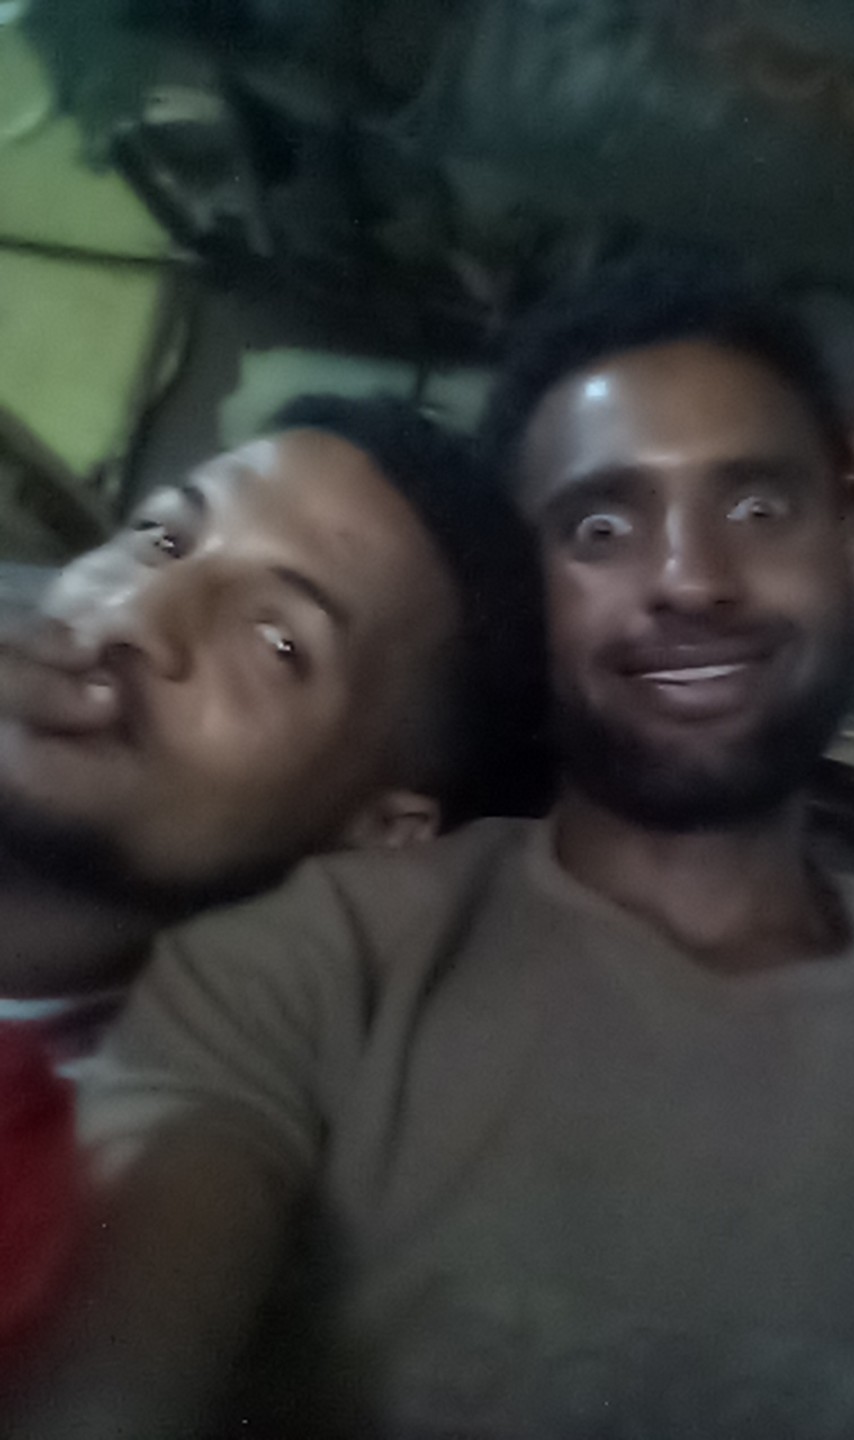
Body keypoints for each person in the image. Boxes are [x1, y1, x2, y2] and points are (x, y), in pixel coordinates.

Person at [13, 258, 854, 1440]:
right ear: (538, 613)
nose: (690, 578)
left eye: (759, 508)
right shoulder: (312, 962)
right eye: (601, 526)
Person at [0, 392, 541, 1379]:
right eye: (160, 538)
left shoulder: (147, 1191)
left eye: (279, 642)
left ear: (382, 833)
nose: (136, 615)